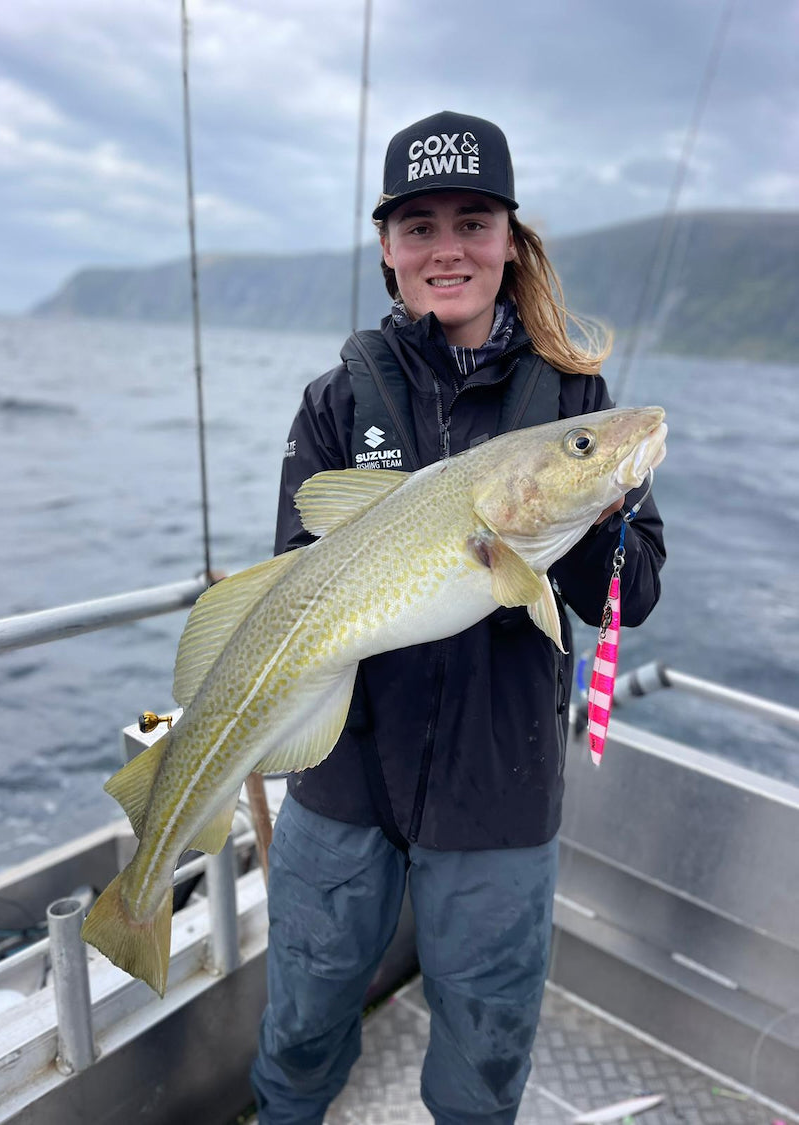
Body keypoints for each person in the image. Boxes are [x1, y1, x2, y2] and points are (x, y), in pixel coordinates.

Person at [251, 110, 665, 1124]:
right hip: (343, 772)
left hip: (500, 787)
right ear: (388, 250)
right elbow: (292, 576)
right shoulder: (337, 403)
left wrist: (599, 508)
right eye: (420, 225)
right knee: (301, 1022)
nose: (448, 248)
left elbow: (635, 594)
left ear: (509, 243)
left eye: (472, 221)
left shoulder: (574, 408)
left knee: (482, 1055)